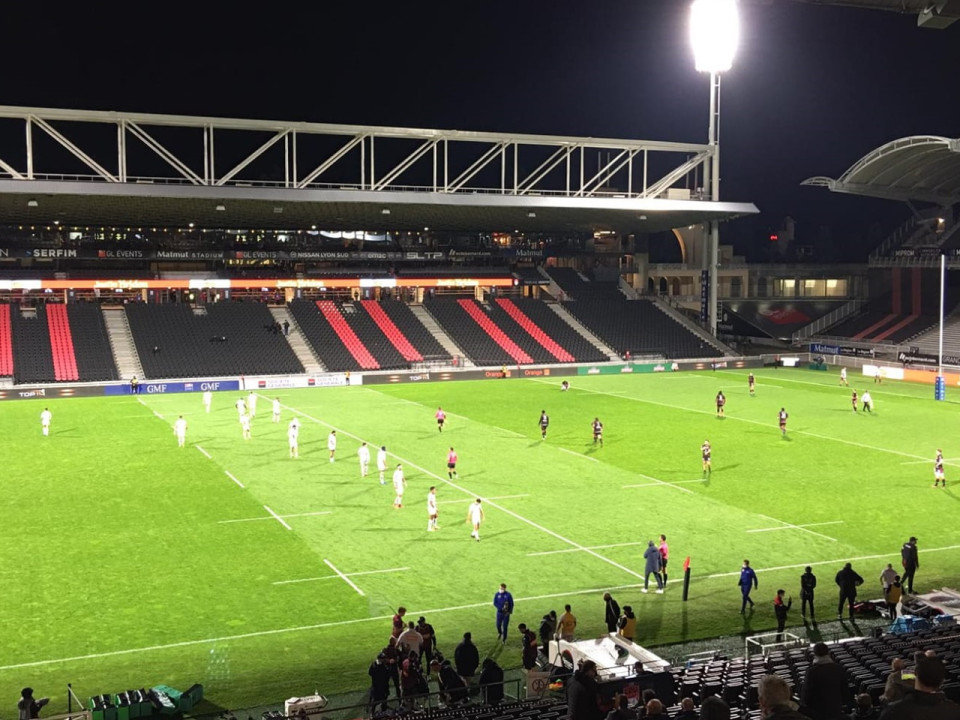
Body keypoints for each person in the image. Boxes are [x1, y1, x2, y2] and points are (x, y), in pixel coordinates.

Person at [878, 653, 960, 719]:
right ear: (942, 681)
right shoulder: (954, 710)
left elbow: (888, 694)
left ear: (917, 674)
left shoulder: (893, 713)